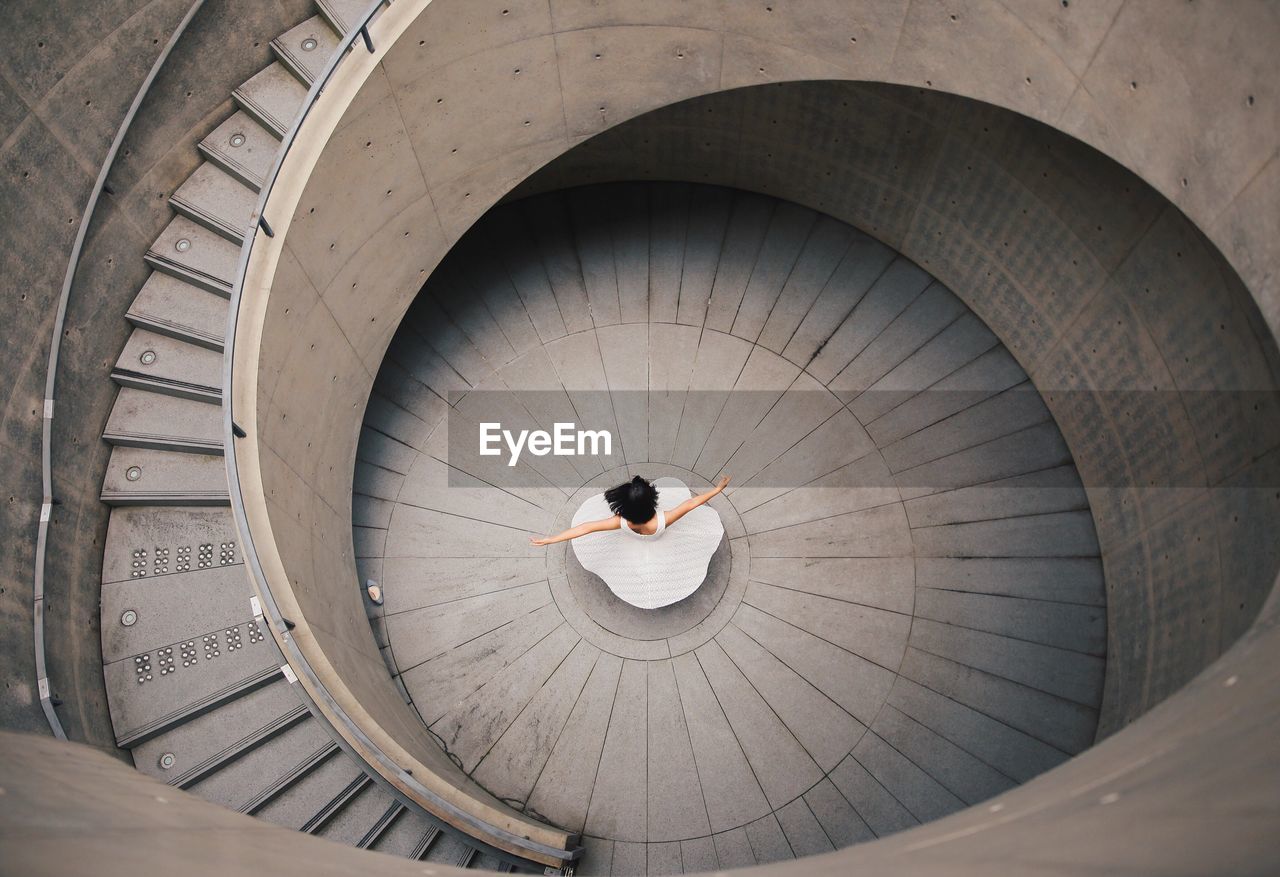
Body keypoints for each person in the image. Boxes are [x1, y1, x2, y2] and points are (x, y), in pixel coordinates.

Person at [531, 474, 730, 609]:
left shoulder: (620, 521)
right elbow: (691, 504)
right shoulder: (665, 518)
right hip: (660, 538)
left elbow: (586, 528)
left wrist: (552, 539)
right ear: (652, 502)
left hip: (631, 540)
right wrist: (718, 489)